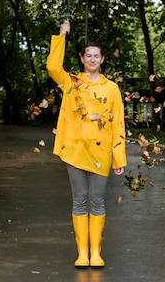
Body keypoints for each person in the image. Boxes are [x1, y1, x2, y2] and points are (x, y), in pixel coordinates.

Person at [47, 20, 127, 269]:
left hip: (102, 151)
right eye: (88, 56)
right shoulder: (71, 82)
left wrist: (119, 157)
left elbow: (118, 124)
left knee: (97, 200)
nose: (92, 59)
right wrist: (61, 35)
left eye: (96, 56)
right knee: (79, 199)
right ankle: (82, 253)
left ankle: (96, 253)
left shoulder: (112, 88)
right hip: (74, 150)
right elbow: (52, 66)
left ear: (102, 59)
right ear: (82, 59)